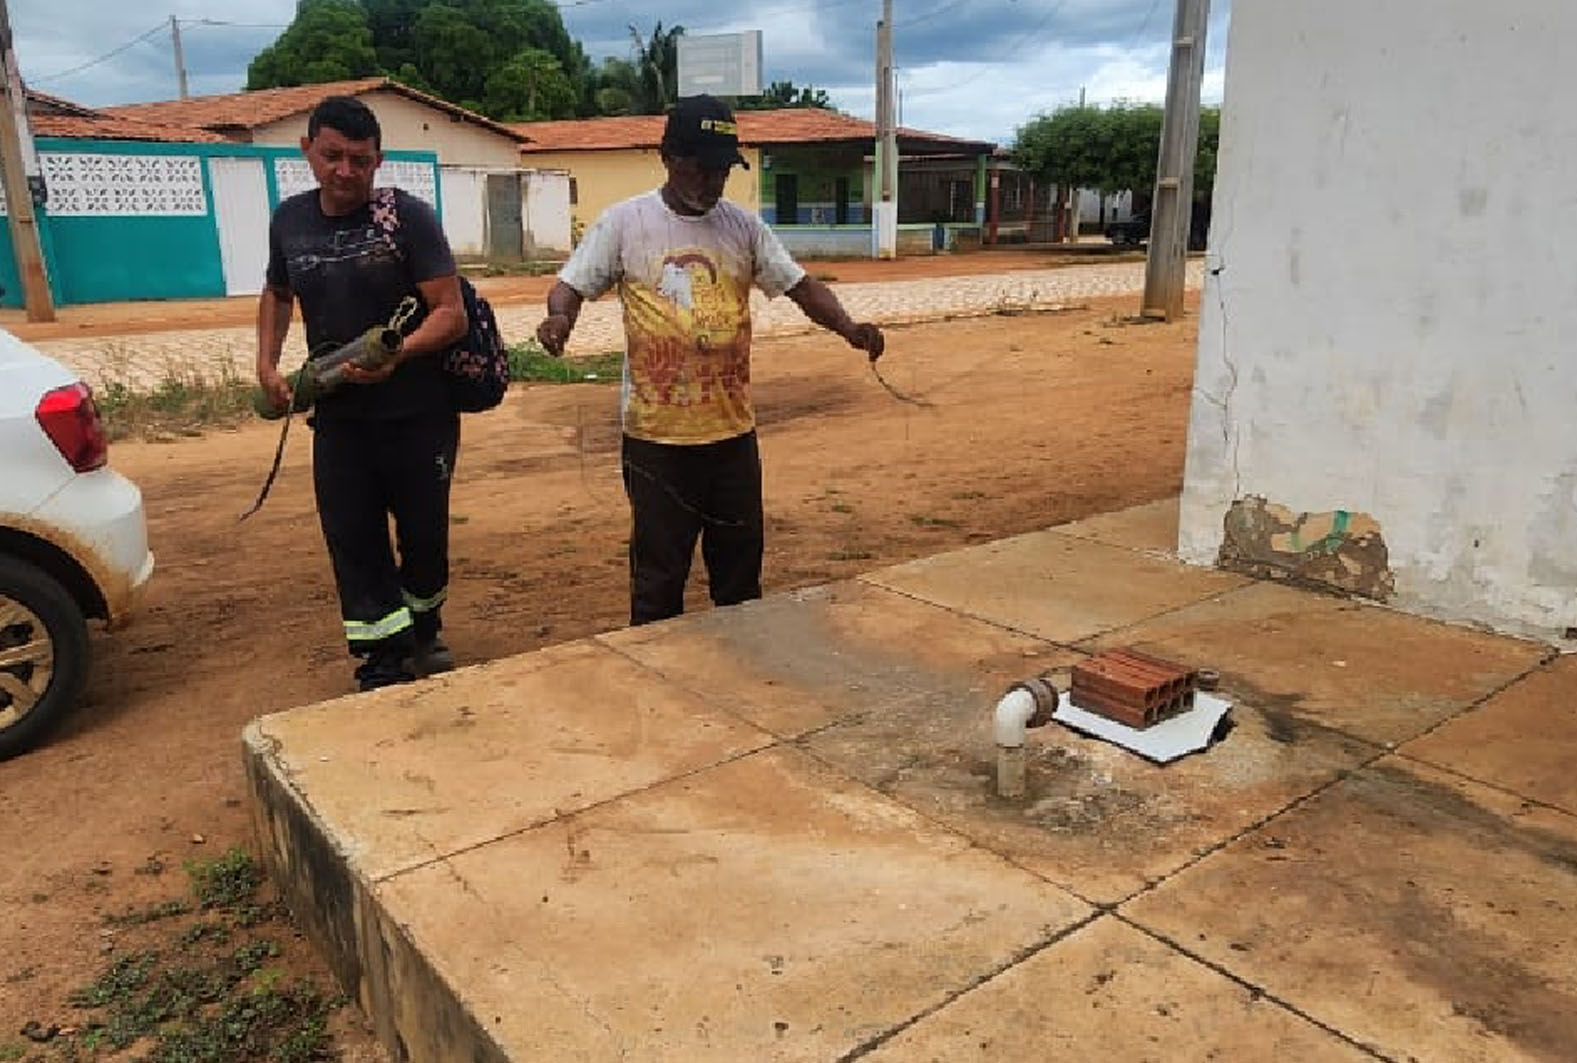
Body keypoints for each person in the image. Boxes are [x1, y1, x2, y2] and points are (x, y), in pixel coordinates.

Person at [537, 95, 886, 626]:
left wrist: (849, 328)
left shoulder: (742, 228)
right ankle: (658, 677)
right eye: (702, 167)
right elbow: (571, 285)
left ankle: (740, 663)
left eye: (722, 169)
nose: (713, 181)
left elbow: (799, 285)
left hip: (730, 435)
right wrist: (560, 320)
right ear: (668, 157)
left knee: (740, 571)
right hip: (657, 440)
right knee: (659, 576)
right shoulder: (626, 223)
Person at [256, 96, 468, 691]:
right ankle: (380, 660)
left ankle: (424, 628)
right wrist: (267, 365)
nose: (343, 172)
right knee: (353, 538)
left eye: (359, 160)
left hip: (419, 415)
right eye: (331, 157)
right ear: (307, 152)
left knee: (424, 540)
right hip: (340, 416)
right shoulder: (290, 220)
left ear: (378, 161)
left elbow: (449, 314)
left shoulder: (408, 218)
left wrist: (399, 353)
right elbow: (276, 294)